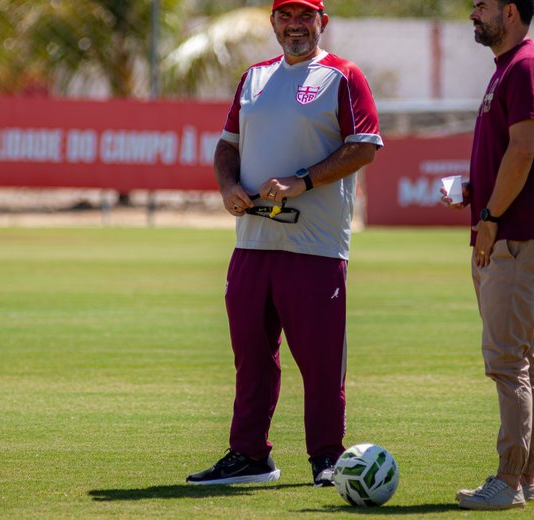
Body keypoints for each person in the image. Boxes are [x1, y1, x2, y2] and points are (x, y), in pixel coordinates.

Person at [186, 0, 382, 486]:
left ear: (322, 22)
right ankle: (250, 456)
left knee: (318, 362)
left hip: (315, 248)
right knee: (251, 358)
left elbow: (365, 146)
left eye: (306, 17)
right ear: (273, 22)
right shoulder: (253, 78)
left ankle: (326, 459)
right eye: (286, 17)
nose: (296, 26)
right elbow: (227, 145)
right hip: (252, 242)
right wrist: (228, 186)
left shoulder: (342, 76)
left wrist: (303, 181)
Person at [440, 0, 534, 511]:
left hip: (515, 238)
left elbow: (525, 149)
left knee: (507, 363)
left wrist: (490, 218)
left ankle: (509, 481)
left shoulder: (527, 65)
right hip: (513, 233)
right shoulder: (510, 67)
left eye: (483, 4)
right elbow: (515, 156)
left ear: (510, 11)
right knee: (522, 360)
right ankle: (524, 476)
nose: (474, 10)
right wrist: (475, 190)